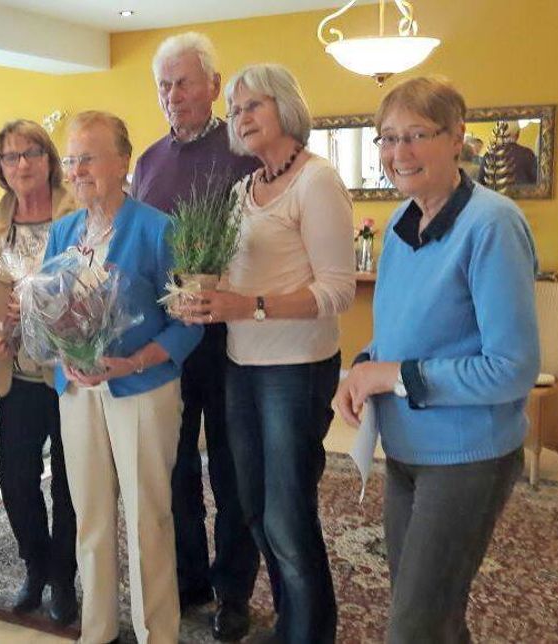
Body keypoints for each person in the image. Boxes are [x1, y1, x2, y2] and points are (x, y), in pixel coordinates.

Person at [335, 76, 539, 643]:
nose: (398, 153)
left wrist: (392, 375)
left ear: (458, 139)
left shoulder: (491, 225)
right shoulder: (402, 227)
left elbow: (512, 366)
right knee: (432, 616)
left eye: (416, 136)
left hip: (465, 458)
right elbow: (399, 338)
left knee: (414, 626)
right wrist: (361, 369)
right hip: (405, 450)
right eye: (387, 138)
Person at [177, 63, 356, 643]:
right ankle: (290, 621)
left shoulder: (317, 180)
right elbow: (229, 277)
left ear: (285, 107)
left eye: (254, 105)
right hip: (241, 367)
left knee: (288, 512)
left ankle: (309, 632)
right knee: (254, 508)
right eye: (236, 109)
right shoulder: (241, 190)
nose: (242, 117)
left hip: (295, 371)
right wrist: (195, 295)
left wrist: (246, 306)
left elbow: (336, 290)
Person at [47, 111, 203, 643]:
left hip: (141, 389)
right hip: (76, 391)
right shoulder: (64, 229)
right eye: (71, 158)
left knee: (147, 518)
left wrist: (135, 362)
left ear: (123, 162)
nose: (77, 169)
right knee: (89, 515)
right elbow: (48, 305)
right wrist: (61, 354)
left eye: (88, 157)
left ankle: (156, 632)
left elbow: (189, 322)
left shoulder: (160, 229)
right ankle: (98, 631)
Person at [130, 31, 261, 641]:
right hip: (166, 340)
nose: (173, 95)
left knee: (233, 467)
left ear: (214, 85)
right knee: (174, 464)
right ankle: (187, 577)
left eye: (184, 82)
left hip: (232, 338)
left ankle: (234, 590)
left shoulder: (244, 151)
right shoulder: (148, 161)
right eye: (164, 85)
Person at [0, 120, 79, 625]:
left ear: (50, 159)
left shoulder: (82, 213)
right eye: (11, 157)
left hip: (73, 374)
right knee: (16, 480)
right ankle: (38, 564)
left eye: (32, 153)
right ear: (0, 167)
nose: (22, 164)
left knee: (71, 484)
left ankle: (64, 578)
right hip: (16, 373)